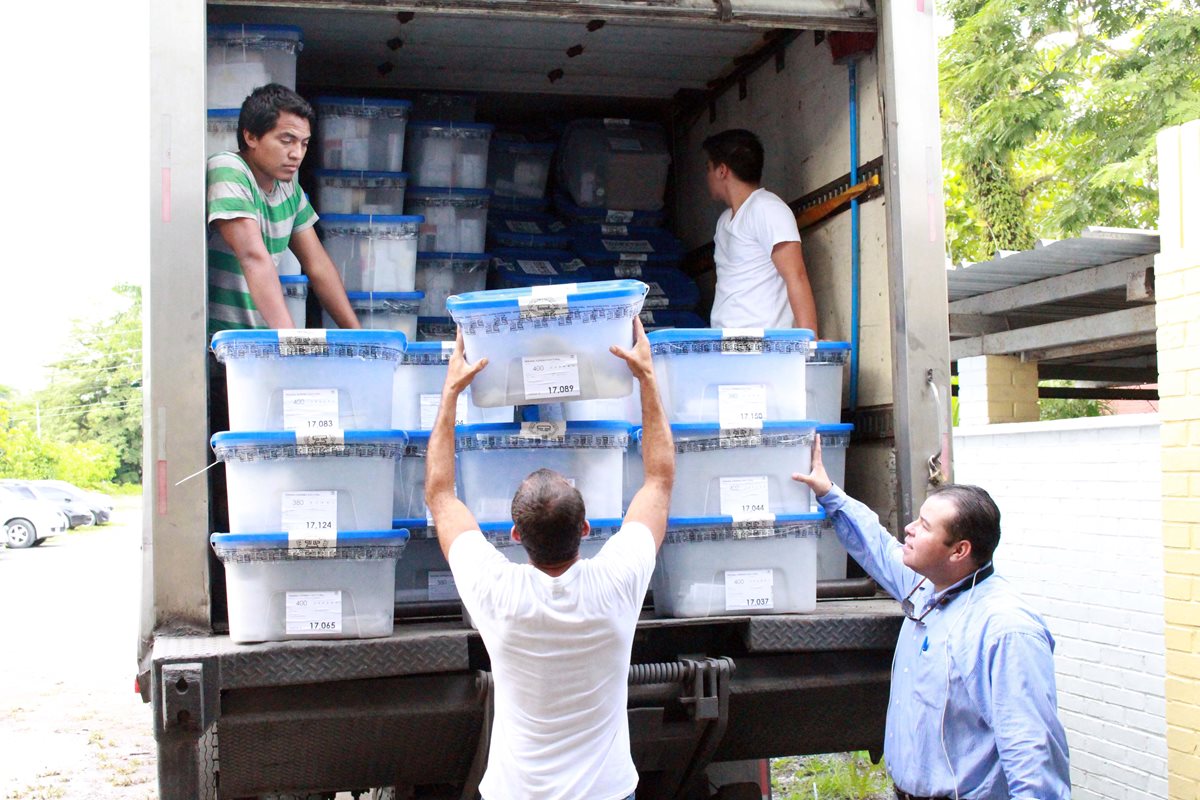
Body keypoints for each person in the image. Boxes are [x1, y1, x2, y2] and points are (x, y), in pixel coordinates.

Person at [424, 319, 673, 800]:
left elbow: (440, 495)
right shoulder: (616, 584)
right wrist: (645, 378)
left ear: (515, 536)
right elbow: (658, 480)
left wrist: (452, 392)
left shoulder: (498, 593)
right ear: (585, 530)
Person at [793, 437, 1070, 800]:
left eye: (924, 526)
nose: (908, 528)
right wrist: (829, 493)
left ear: (959, 550)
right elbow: (878, 548)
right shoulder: (929, 587)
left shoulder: (1005, 629)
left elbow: (1030, 753)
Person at [206, 83, 359, 334]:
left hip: (262, 343)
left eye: (304, 144)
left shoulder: (289, 189)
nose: (296, 154)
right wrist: (289, 343)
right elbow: (252, 257)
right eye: (286, 141)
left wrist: (361, 339)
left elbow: (318, 267)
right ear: (251, 136)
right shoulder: (228, 169)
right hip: (225, 346)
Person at [703, 128, 818, 333]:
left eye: (708, 168)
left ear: (722, 171)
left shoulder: (767, 209)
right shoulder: (723, 222)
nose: (707, 176)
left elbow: (796, 276)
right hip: (728, 344)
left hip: (763, 346)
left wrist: (810, 344)